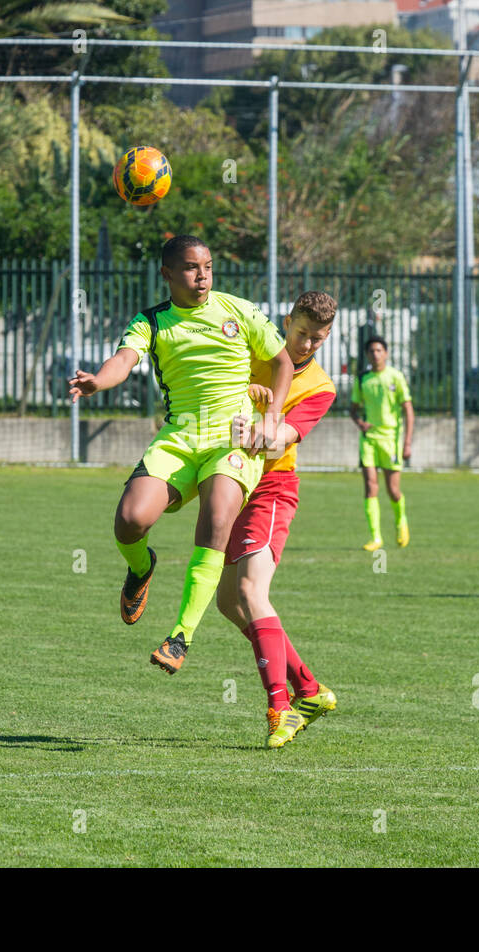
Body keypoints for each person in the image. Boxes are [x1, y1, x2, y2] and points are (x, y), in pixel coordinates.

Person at [69, 234, 293, 675]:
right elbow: (125, 357)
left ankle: (180, 636)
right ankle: (141, 568)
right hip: (179, 438)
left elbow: (283, 361)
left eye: (207, 266)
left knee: (215, 520)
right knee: (131, 520)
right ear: (167, 274)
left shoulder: (239, 311)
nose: (203, 275)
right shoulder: (152, 321)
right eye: (191, 268)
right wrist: (99, 380)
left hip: (232, 439)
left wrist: (271, 419)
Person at [216, 291, 340, 748]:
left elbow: (278, 440)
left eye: (318, 339)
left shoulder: (322, 387)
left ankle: (281, 707)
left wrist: (252, 427)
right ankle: (310, 690)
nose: (307, 345)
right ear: (287, 322)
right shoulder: (254, 353)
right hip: (235, 483)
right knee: (228, 603)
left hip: (271, 490)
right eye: (302, 333)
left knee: (251, 591)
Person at [350, 336, 414, 550]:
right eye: (371, 351)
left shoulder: (395, 377)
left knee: (393, 490)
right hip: (369, 439)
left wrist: (407, 443)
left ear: (385, 353)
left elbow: (408, 410)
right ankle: (376, 537)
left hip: (392, 440)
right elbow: (353, 408)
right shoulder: (362, 379)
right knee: (370, 486)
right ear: (367, 355)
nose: (375, 354)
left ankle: (400, 521)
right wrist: (360, 423)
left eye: (379, 350)